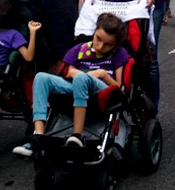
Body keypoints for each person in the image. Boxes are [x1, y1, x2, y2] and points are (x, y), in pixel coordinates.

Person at [13, 13, 129, 156]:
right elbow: (68, 73)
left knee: (81, 78)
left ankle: (77, 134)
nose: (100, 46)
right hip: (78, 84)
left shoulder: (119, 54)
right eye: (98, 39)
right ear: (94, 32)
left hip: (103, 90)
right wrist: (78, 74)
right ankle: (38, 136)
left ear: (115, 45)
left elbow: (118, 88)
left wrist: (102, 74)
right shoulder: (80, 49)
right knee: (41, 77)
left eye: (107, 44)